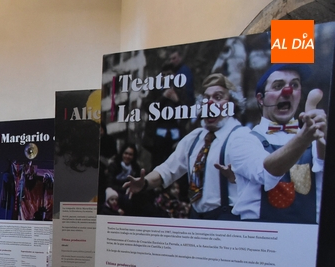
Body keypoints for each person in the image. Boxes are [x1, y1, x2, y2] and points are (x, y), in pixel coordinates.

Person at [125, 73, 267, 220]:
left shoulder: (242, 136)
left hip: (227, 221)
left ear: (233, 105)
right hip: (196, 218)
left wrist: (239, 176)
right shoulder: (195, 138)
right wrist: (144, 183)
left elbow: (265, 175)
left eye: (218, 97)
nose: (210, 102)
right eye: (206, 98)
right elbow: (167, 170)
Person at [230, 64, 327, 224]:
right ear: (261, 99)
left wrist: (322, 137)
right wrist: (304, 137)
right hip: (261, 240)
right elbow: (265, 173)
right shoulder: (243, 139)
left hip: (305, 238)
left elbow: (324, 169)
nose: (287, 91)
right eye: (278, 86)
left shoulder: (315, 136)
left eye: (294, 85)